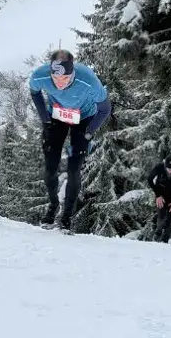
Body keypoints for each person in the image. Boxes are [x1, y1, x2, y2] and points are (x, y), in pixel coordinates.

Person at [28, 48, 111, 230]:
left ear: (72, 73)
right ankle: (53, 205)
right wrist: (45, 119)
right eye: (55, 78)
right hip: (57, 118)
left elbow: (105, 110)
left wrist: (89, 132)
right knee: (50, 168)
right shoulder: (39, 76)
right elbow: (34, 93)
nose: (59, 83)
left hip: (83, 119)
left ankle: (66, 217)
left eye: (65, 78)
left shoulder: (88, 80)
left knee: (74, 168)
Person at [148, 155, 171, 243]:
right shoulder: (159, 168)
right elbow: (150, 179)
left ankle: (165, 241)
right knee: (161, 216)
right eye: (168, 169)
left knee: (170, 218)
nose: (170, 171)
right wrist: (158, 195)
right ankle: (157, 236)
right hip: (160, 194)